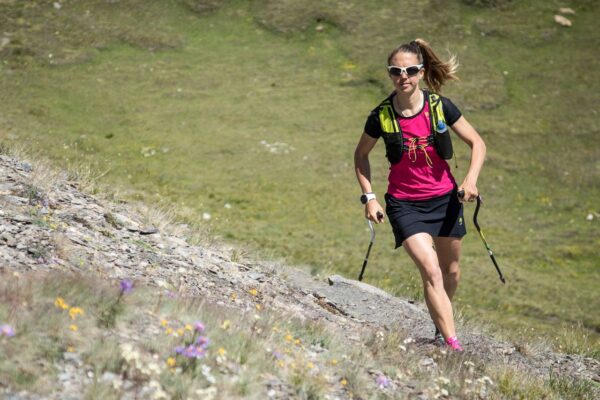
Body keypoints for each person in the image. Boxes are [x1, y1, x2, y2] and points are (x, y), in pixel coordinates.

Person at [354, 39, 486, 352]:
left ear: (421, 72)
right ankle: (454, 345)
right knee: (430, 269)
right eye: (396, 71)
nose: (404, 76)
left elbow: (477, 143)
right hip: (404, 204)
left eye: (411, 70)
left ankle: (441, 327)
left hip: (445, 201)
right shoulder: (381, 116)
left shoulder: (441, 107)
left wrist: (470, 179)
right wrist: (370, 197)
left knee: (450, 272)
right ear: (389, 74)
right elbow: (360, 156)